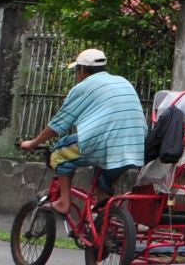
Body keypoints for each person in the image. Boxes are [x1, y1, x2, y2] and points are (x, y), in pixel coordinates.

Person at [17, 48, 148, 196]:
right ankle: (101, 214)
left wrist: (33, 143)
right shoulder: (122, 82)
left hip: (106, 145)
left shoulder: (83, 87)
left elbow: (58, 125)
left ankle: (63, 202)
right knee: (102, 176)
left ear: (83, 69)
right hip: (136, 146)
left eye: (77, 70)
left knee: (59, 153)